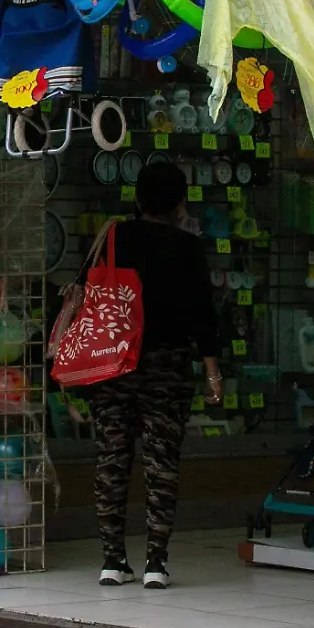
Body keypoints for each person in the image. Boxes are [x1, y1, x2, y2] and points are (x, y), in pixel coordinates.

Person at [56, 161, 223, 591]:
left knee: (112, 458)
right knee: (161, 464)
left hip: (112, 363)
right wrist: (212, 372)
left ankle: (112, 560)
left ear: (137, 199)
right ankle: (156, 564)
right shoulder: (188, 248)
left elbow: (83, 290)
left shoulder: (113, 236)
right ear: (180, 203)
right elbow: (204, 316)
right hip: (167, 366)